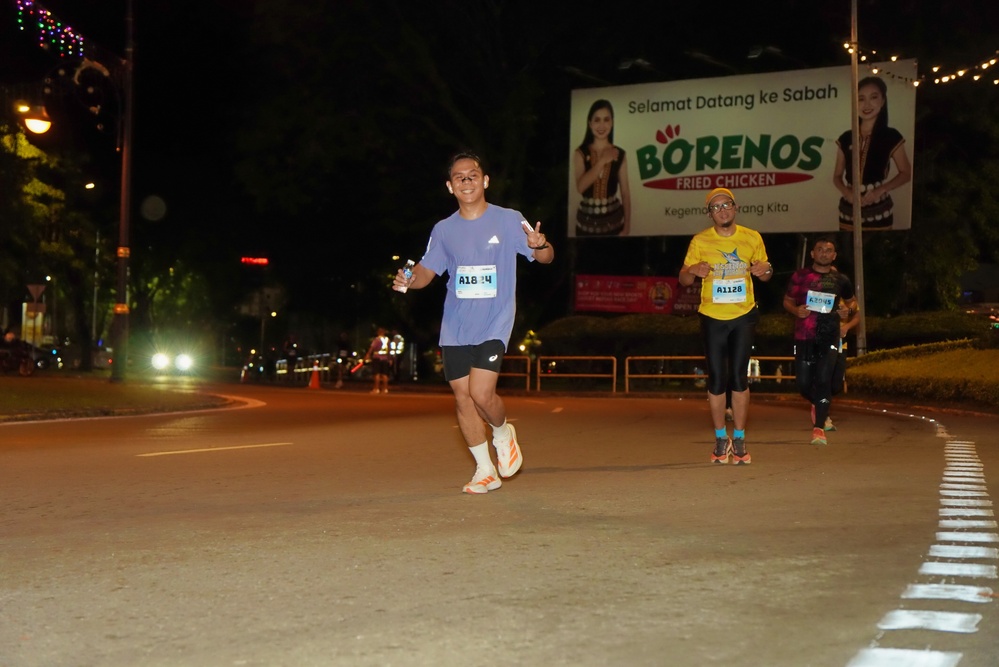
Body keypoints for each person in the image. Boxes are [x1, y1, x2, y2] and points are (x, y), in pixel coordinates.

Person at [392, 151, 554, 494]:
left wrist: (540, 245)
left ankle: (502, 433)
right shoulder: (444, 230)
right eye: (459, 177)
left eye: (473, 175)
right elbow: (426, 271)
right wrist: (408, 279)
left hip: (495, 320)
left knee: (481, 392)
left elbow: (546, 257)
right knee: (463, 398)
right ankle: (485, 470)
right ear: (450, 187)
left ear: (485, 181)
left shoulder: (509, 220)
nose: (466, 181)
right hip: (456, 325)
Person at [678, 187, 773, 465]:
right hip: (712, 316)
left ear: (735, 207)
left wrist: (765, 270)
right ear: (710, 214)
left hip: (743, 315)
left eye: (726, 204)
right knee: (717, 379)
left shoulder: (752, 237)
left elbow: (766, 272)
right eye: (716, 207)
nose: (722, 210)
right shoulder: (700, 241)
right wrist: (692, 271)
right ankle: (721, 438)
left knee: (740, 377)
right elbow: (683, 278)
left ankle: (739, 438)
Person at [783, 239, 860, 446]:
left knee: (825, 380)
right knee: (803, 385)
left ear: (834, 256)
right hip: (804, 336)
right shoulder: (800, 276)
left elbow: (852, 302)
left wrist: (848, 310)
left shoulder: (841, 279)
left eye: (828, 250)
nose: (824, 253)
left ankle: (818, 428)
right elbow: (787, 301)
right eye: (820, 250)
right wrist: (796, 310)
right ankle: (818, 403)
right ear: (812, 254)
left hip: (830, 337)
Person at [833, 76, 912, 231]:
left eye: (873, 97)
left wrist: (879, 191)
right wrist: (847, 192)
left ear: (883, 101)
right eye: (861, 99)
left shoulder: (891, 136)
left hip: (879, 211)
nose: (867, 104)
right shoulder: (846, 137)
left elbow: (906, 173)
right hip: (848, 212)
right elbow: (837, 176)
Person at [573, 99, 631, 236]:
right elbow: (581, 187)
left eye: (606, 120)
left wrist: (627, 227)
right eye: (597, 120)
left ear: (612, 123)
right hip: (586, 226)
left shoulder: (619, 154)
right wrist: (602, 161)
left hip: (614, 223)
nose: (601, 125)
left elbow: (625, 193)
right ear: (590, 123)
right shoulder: (580, 153)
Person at [364, 327, 392, 394]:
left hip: (377, 358)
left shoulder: (377, 339)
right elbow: (389, 350)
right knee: (385, 374)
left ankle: (376, 388)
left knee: (376, 374)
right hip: (385, 358)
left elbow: (372, 348)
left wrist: (367, 355)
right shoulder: (387, 340)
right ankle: (385, 389)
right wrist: (390, 359)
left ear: (378, 332)